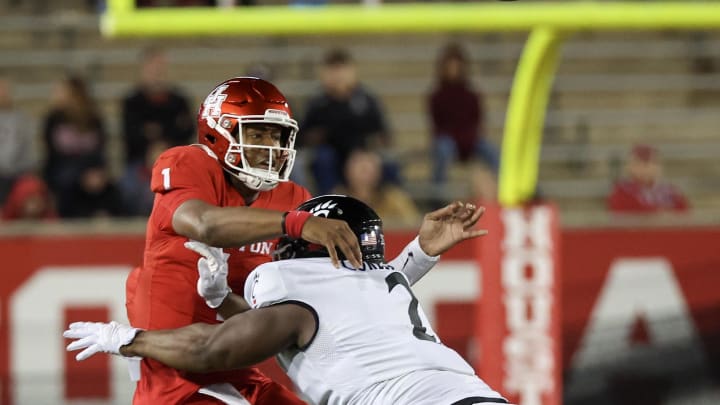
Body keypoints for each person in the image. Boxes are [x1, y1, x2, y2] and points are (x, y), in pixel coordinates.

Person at [123, 76, 485, 404]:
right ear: (219, 133)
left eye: (276, 136)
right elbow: (200, 222)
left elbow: (344, 293)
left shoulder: (292, 197)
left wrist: (418, 253)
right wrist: (295, 224)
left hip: (236, 360)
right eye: (258, 134)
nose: (272, 147)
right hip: (173, 364)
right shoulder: (190, 163)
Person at [66, 195, 507, 405]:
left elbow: (211, 349)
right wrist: (222, 300)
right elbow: (309, 325)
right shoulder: (382, 279)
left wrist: (127, 339)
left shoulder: (300, 292)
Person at [297, 48, 398, 194]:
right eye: (333, 71)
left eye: (342, 70)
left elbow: (382, 133)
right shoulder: (318, 102)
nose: (338, 76)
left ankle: (390, 202)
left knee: (388, 162)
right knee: (324, 158)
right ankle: (330, 199)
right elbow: (304, 136)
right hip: (332, 155)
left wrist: (368, 152)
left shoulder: (366, 100)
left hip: (362, 152)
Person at [428, 43, 499, 186]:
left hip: (470, 140)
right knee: (443, 149)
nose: (454, 71)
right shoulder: (436, 96)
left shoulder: (471, 95)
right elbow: (438, 126)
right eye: (450, 67)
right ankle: (438, 193)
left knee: (492, 151)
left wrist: (468, 138)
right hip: (449, 140)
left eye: (456, 66)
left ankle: (503, 188)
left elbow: (476, 120)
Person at [41, 74, 108, 217]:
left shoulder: (93, 119)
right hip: (63, 170)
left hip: (90, 169)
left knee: (108, 186)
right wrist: (81, 174)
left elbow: (100, 149)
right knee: (67, 180)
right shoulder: (53, 119)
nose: (56, 95)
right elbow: (52, 155)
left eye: (61, 91)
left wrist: (96, 171)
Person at [122, 46, 194, 167]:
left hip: (175, 162)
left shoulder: (179, 100)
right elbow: (131, 134)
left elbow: (187, 131)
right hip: (140, 164)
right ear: (143, 69)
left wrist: (160, 139)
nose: (157, 72)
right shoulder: (132, 102)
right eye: (152, 67)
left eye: (160, 67)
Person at [334, 148, 420, 228]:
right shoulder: (335, 200)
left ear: (379, 173)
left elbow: (412, 225)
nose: (364, 170)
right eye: (359, 165)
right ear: (346, 172)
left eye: (369, 166)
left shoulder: (394, 198)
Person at [607, 144, 689, 213]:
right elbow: (626, 216)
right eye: (639, 163)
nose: (646, 168)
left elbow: (684, 212)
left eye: (651, 163)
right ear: (630, 166)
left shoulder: (670, 191)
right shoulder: (622, 191)